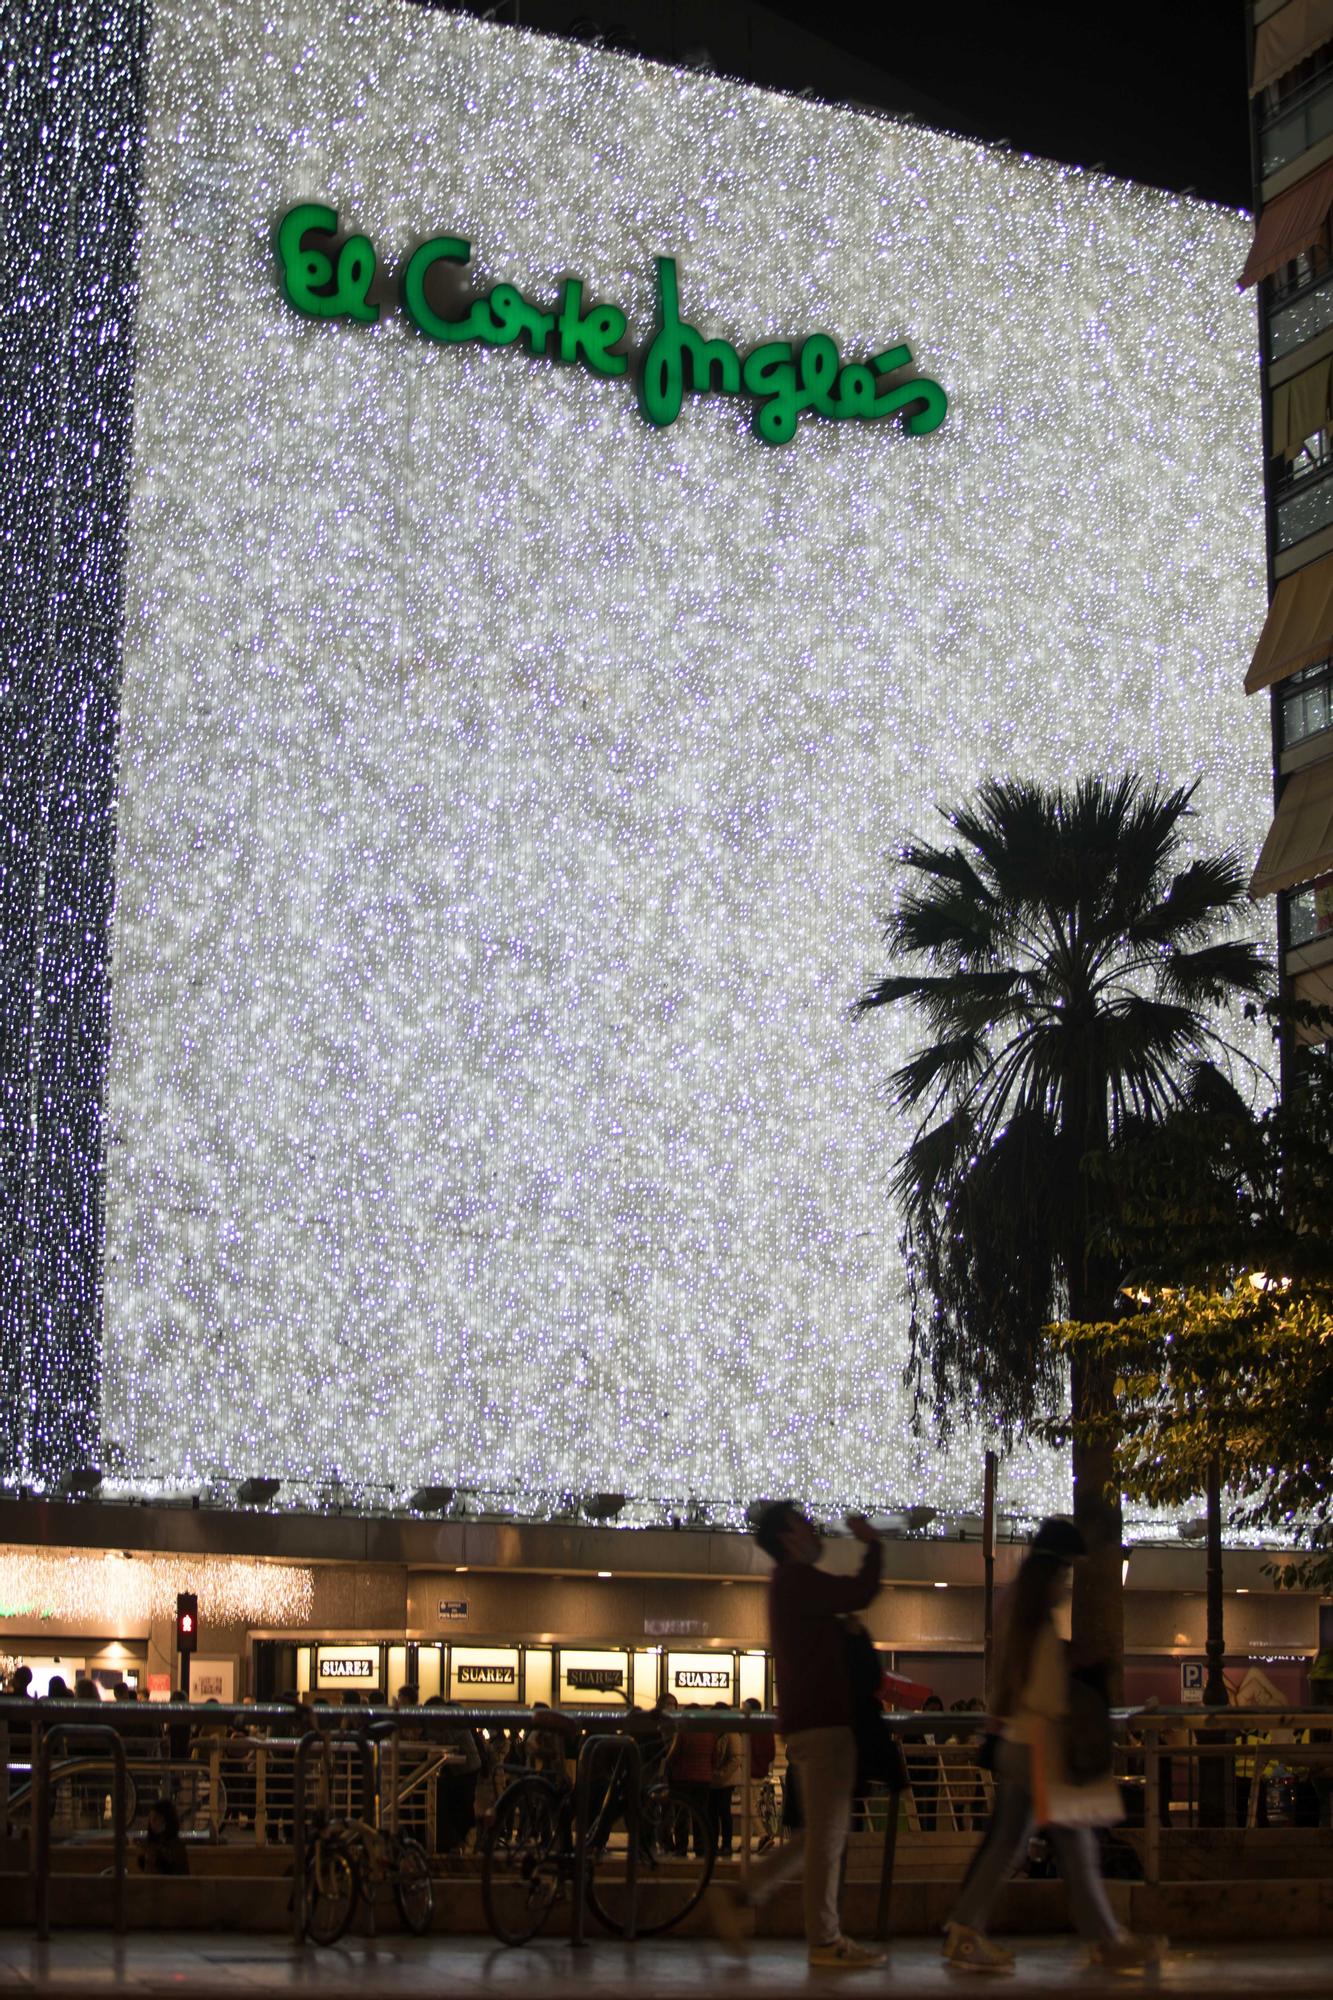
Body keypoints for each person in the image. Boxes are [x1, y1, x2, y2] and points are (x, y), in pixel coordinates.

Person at [942, 1517, 1165, 1975]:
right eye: (1066, 1572)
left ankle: (964, 1933)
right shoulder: (1035, 1622)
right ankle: (1105, 1942)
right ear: (1055, 1569)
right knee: (1076, 1848)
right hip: (1042, 1748)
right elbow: (1045, 1695)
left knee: (1009, 1845)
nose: (1067, 1582)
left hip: (1017, 1744)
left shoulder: (1012, 1608)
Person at [717, 1502, 885, 1970]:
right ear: (790, 1536)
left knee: (820, 1838)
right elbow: (860, 1590)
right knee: (826, 1840)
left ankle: (747, 1896)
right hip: (825, 1725)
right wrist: (872, 1545)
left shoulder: (787, 1587)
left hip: (809, 1725)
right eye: (804, 1524)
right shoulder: (796, 1580)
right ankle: (824, 1939)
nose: (814, 1531)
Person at [711, 1703, 742, 1855]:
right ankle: (714, 1844)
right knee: (714, 1813)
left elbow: (736, 1758)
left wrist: (722, 1774)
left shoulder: (730, 1733)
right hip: (714, 1779)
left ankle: (726, 1844)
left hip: (725, 1780)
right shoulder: (715, 1731)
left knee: (723, 1812)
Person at [138, 1796, 189, 1875]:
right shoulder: (151, 1842)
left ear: (165, 1820)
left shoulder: (175, 1845)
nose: (152, 1823)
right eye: (151, 1819)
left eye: (155, 1818)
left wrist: (158, 1861)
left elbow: (178, 1873)